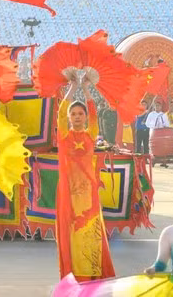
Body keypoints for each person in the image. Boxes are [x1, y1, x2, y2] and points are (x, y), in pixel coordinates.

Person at [55, 68, 115, 281]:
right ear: (69, 117)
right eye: (73, 114)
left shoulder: (91, 134)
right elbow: (60, 113)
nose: (77, 117)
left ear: (85, 117)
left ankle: (92, 274)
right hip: (69, 193)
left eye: (80, 114)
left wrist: (87, 89)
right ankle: (75, 275)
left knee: (89, 230)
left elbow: (94, 114)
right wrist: (72, 87)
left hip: (89, 193)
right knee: (72, 232)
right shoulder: (64, 136)